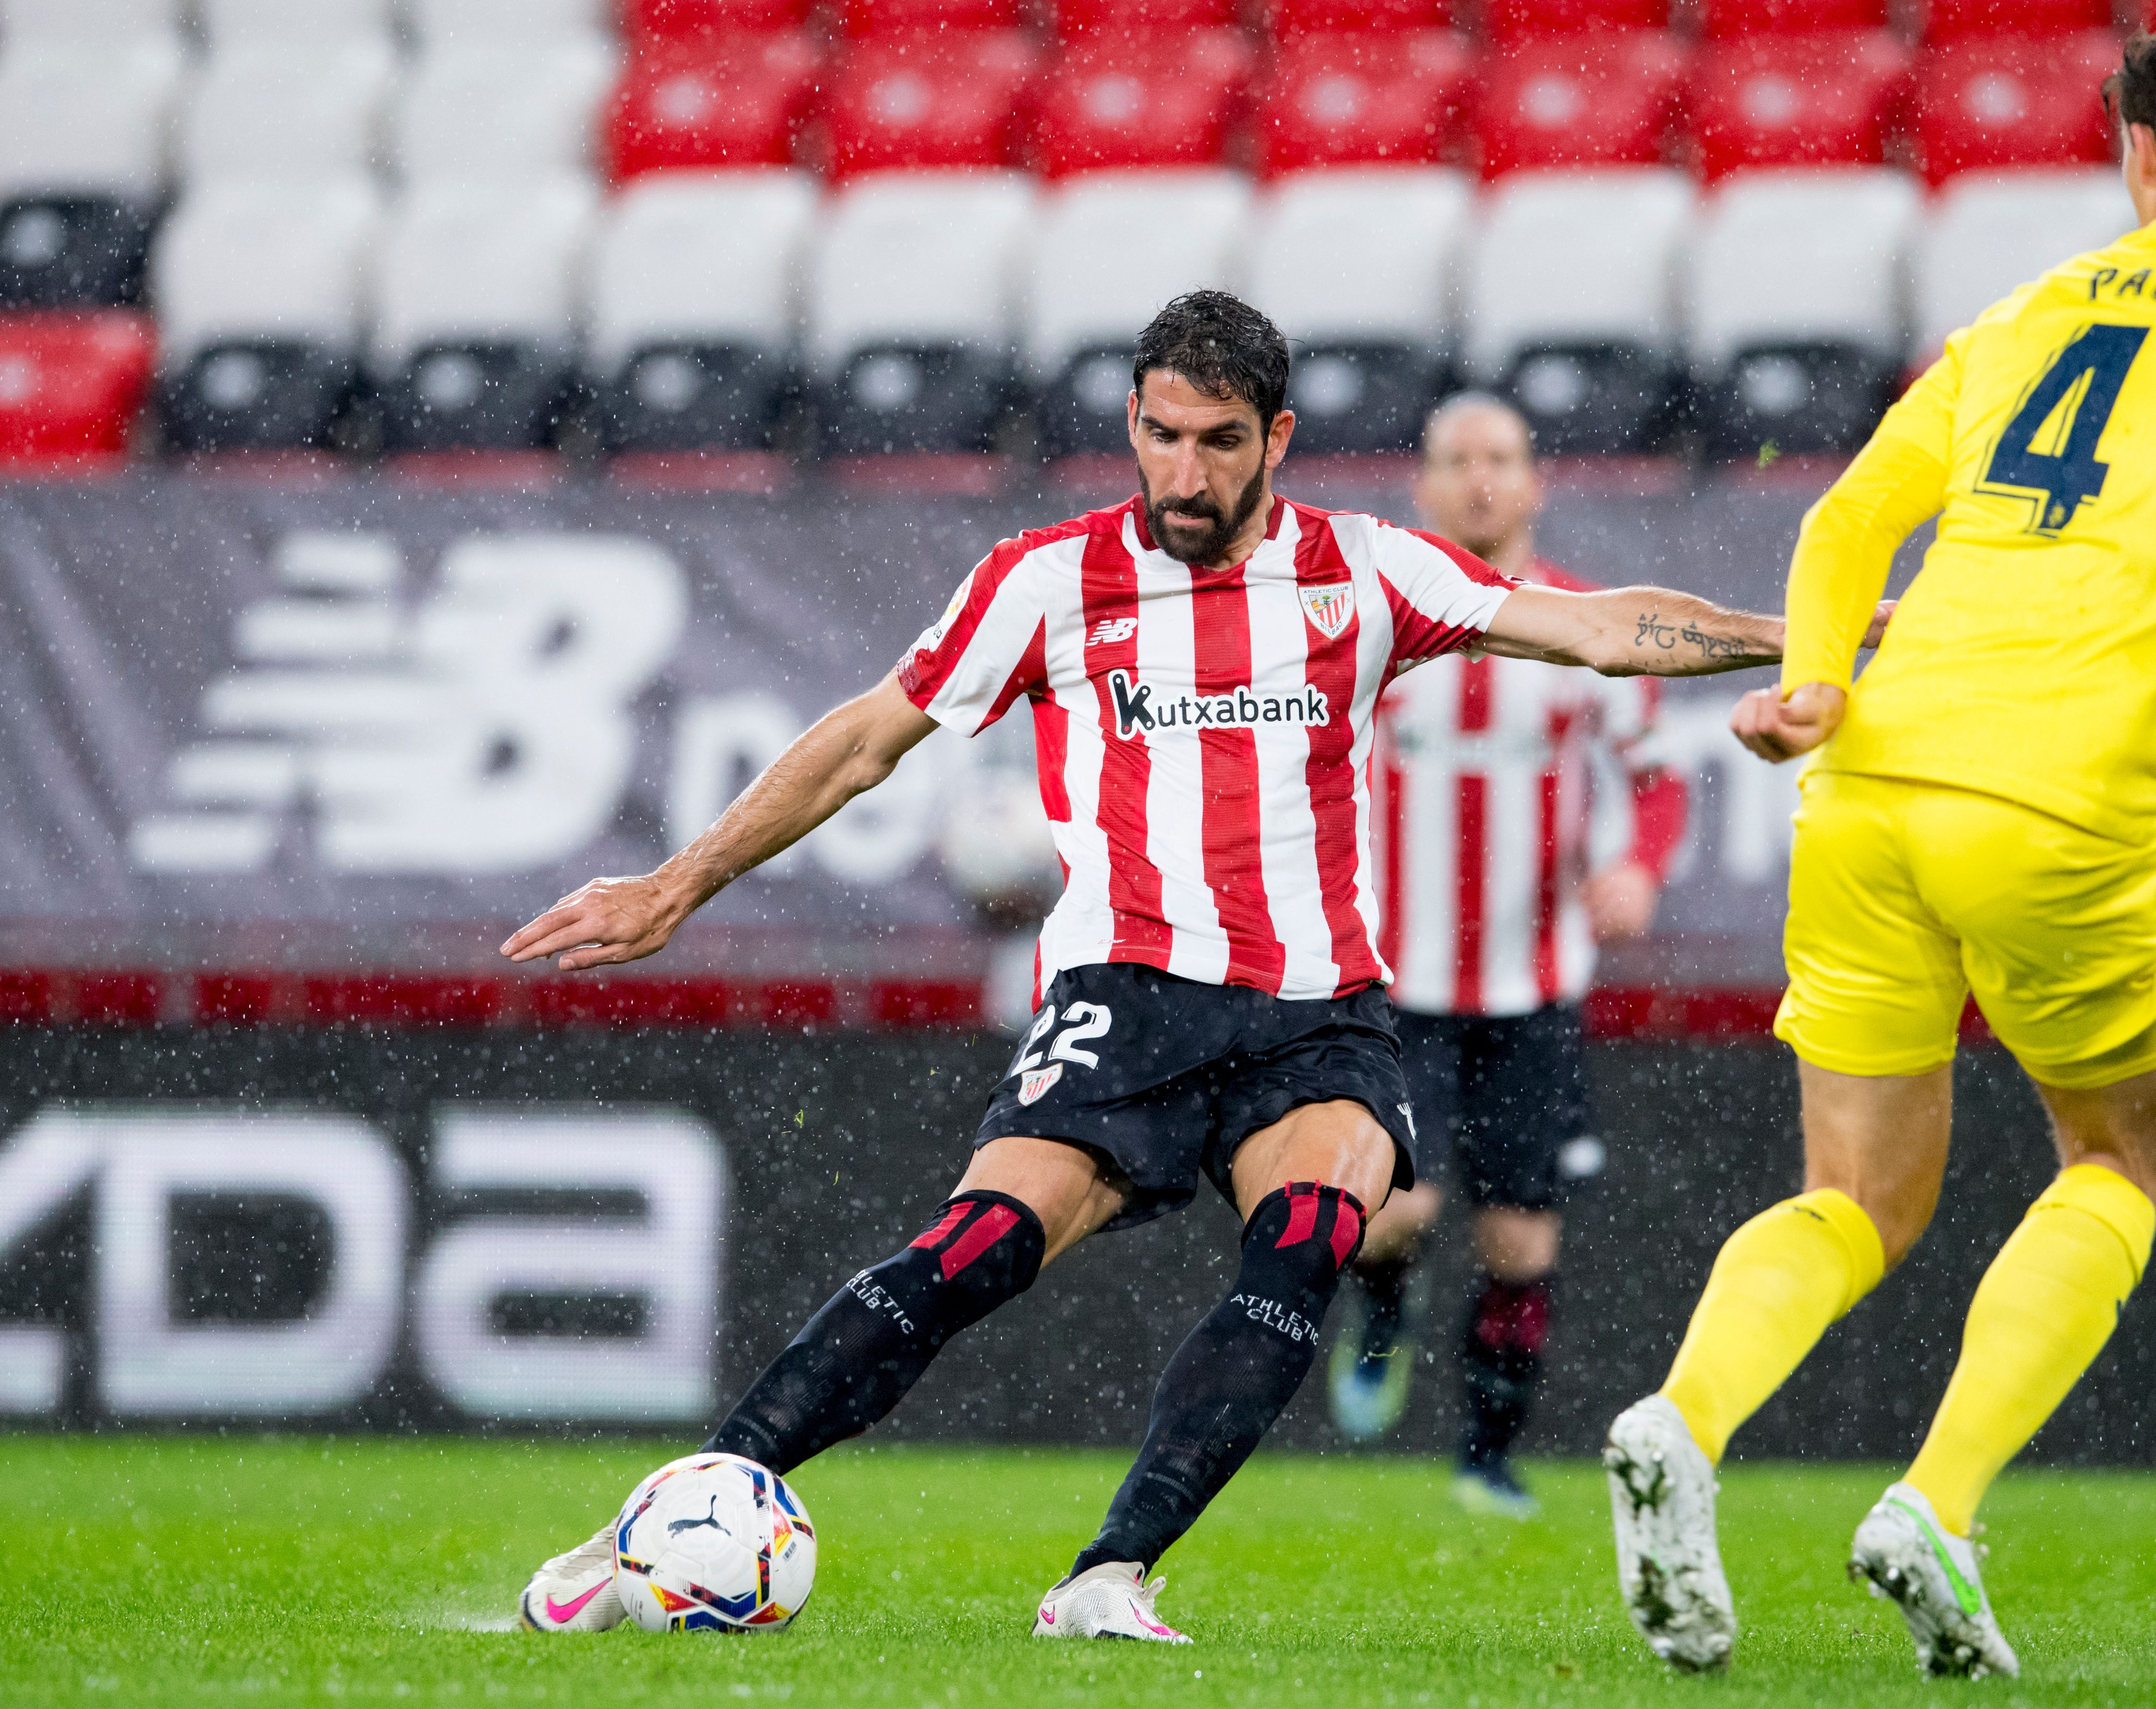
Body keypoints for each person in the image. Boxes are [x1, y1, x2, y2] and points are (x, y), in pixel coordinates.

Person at [502, 291, 1867, 1644]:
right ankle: (670, 1512)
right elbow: (867, 739)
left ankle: (1111, 1576)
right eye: (1160, 437)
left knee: (1312, 1239)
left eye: (1219, 443)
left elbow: (1602, 629)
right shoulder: (1049, 581)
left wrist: (1823, 644)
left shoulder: (1367, 570)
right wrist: (676, 886)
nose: (1185, 474)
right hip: (1127, 995)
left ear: (1278, 438)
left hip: (1316, 1011)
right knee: (976, 1249)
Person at [1602, 16, 2156, 1680]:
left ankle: (1683, 1418)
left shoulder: (2027, 305)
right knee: (2122, 1158)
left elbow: (1849, 521)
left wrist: (1819, 682)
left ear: (2136, 152)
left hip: (1869, 777)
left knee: (1851, 1196)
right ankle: (1936, 1501)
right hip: (2059, 803)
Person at [1325, 393, 1687, 1520]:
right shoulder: (1376, 622)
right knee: (1396, 1212)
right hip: (1400, 980)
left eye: (1501, 459)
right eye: (1456, 461)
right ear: (1421, 489)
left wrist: (1640, 869)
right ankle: (1381, 1305)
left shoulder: (1585, 622)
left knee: (1520, 1237)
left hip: (1535, 985)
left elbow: (1658, 780)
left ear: (1535, 484)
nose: (1481, 480)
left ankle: (1488, 1455)